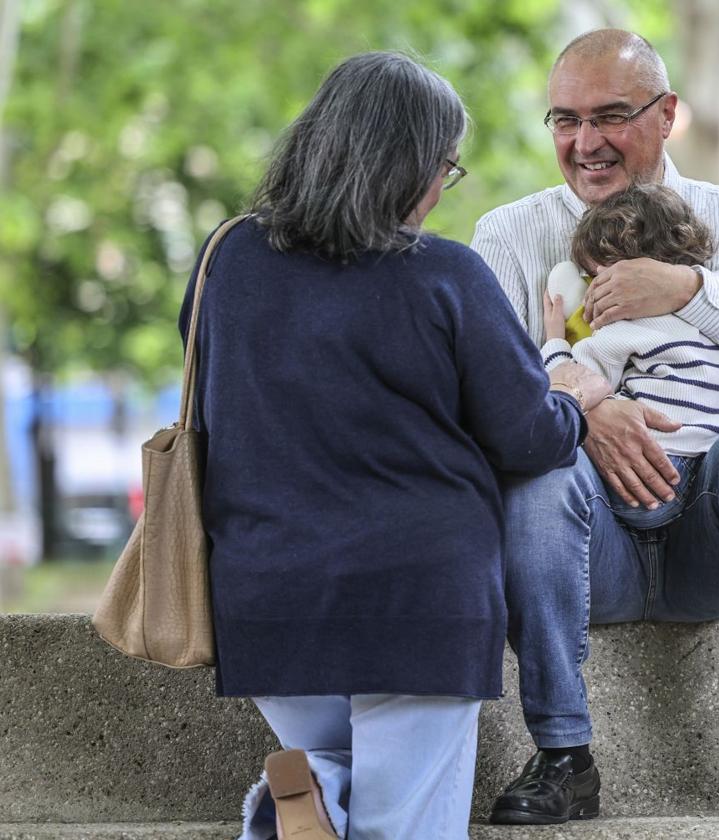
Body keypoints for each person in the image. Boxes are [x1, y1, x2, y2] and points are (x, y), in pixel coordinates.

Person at [180, 52, 610, 840]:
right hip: (419, 600)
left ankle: (305, 804)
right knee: (407, 822)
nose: (443, 185)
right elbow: (529, 436)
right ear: (410, 164)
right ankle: (304, 809)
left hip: (266, 595)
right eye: (445, 165)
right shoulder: (446, 276)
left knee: (340, 781)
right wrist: (576, 398)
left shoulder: (227, 259)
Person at [470, 30, 719, 825]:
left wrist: (690, 291)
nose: (585, 143)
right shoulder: (508, 237)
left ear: (668, 114)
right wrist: (585, 407)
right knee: (541, 471)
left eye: (610, 115)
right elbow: (486, 403)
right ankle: (563, 755)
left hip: (714, 546)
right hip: (591, 547)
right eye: (565, 120)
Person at [540, 182, 719, 531]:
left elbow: (576, 387)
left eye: (595, 278)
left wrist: (555, 343)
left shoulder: (621, 332)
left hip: (653, 477)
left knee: (552, 470)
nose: (591, 290)